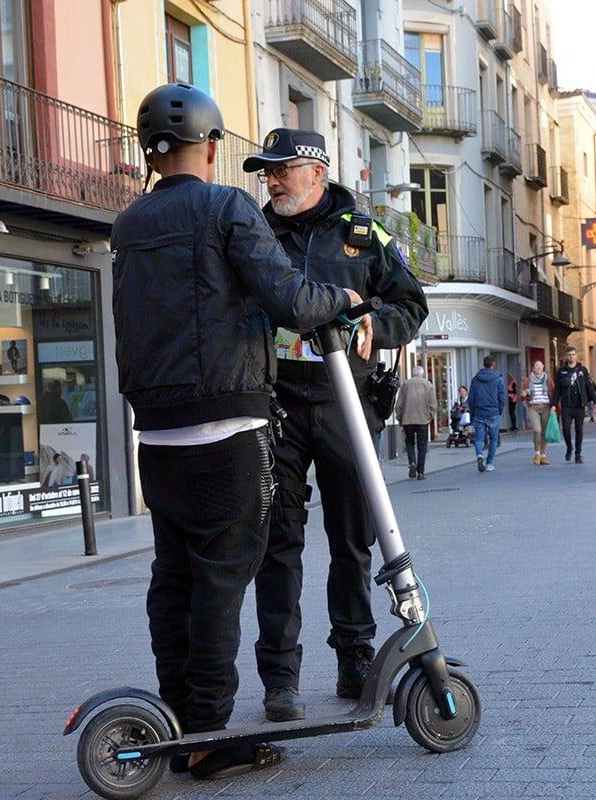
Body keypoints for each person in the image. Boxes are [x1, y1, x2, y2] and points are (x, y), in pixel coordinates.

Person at [112, 85, 362, 778]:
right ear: (214, 146)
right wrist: (344, 296)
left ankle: (174, 720)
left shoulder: (128, 226)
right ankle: (207, 734)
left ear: (149, 154)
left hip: (156, 434)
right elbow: (291, 299)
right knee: (221, 579)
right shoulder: (227, 208)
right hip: (230, 426)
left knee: (173, 577)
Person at [242, 127, 427, 723]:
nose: (271, 181)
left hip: (348, 403)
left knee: (352, 540)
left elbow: (411, 305)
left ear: (317, 173)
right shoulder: (254, 234)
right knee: (278, 543)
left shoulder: (363, 235)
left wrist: (377, 322)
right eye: (266, 172)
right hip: (276, 407)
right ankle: (280, 679)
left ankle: (355, 658)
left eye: (281, 170)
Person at [554, 346, 596, 464]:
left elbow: (589, 387)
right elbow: (557, 389)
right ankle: (569, 447)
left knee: (579, 430)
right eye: (569, 355)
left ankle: (578, 454)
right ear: (566, 356)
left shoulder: (582, 370)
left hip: (579, 406)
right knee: (566, 429)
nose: (572, 357)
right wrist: (554, 404)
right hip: (566, 406)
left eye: (573, 354)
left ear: (576, 356)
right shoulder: (561, 372)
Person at [396, 365, 436, 481]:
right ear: (422, 374)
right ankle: (421, 472)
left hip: (407, 420)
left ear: (412, 374)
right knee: (422, 446)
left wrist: (400, 418)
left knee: (409, 443)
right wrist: (429, 416)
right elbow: (433, 404)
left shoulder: (405, 385)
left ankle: (412, 462)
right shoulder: (428, 385)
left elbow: (399, 405)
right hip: (423, 420)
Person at [470, 355, 507, 473]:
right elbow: (502, 397)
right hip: (493, 412)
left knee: (479, 438)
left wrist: (472, 413)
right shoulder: (499, 379)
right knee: (493, 439)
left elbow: (471, 398)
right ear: (493, 364)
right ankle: (489, 463)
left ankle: (479, 455)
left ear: (483, 364)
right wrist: (499, 410)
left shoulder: (476, 379)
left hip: (479, 412)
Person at [520, 360, 556, 466]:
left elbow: (554, 393)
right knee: (537, 430)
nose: (539, 368)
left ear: (543, 367)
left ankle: (543, 455)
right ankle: (537, 453)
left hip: (546, 407)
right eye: (536, 366)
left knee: (544, 432)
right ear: (533, 368)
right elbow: (522, 396)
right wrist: (523, 395)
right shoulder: (528, 380)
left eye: (540, 366)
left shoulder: (548, 380)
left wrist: (555, 406)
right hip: (533, 407)